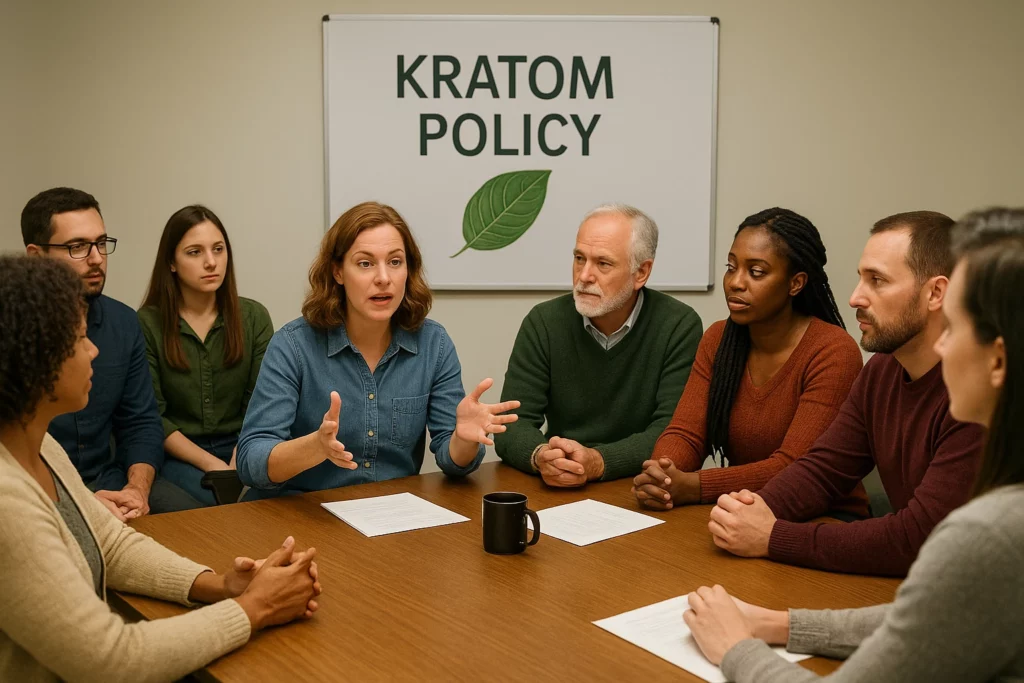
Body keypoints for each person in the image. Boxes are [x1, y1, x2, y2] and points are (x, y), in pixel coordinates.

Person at [682, 207, 1024, 682]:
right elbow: (935, 609)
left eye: (959, 326)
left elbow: (927, 552)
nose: (856, 296)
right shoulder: (884, 371)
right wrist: (779, 620)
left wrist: (737, 647)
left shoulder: (987, 530)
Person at [0, 255, 323, 682]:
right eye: (79, 338)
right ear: (35, 360)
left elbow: (111, 545)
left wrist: (222, 585)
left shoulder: (42, 448)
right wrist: (254, 607)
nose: (94, 349)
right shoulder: (6, 501)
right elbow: (112, 660)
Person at [706, 211, 984, 576]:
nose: (855, 298)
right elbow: (825, 469)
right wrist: (753, 508)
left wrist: (773, 536)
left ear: (935, 293)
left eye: (877, 281)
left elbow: (918, 539)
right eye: (860, 279)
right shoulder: (883, 370)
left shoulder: (982, 392)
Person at [236, 201, 517, 495]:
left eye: (395, 262)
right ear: (338, 273)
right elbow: (250, 461)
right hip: (303, 514)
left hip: (390, 517)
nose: (383, 278)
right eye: (365, 263)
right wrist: (313, 447)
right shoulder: (293, 345)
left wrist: (464, 439)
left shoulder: (434, 344)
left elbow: (453, 460)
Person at [632, 208, 862, 509]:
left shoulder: (833, 352)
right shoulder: (718, 340)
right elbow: (686, 433)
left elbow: (794, 467)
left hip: (824, 517)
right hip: (739, 509)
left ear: (796, 283)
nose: (735, 282)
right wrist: (662, 473)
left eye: (756, 272)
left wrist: (695, 486)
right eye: (731, 267)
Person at [495, 204, 703, 486]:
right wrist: (542, 455)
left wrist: (599, 461)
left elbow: (674, 433)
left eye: (603, 264)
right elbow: (510, 423)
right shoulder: (544, 322)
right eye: (579, 258)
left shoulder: (678, 325)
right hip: (559, 484)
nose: (583, 276)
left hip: (639, 485)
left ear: (641, 272)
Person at [22, 187, 200, 517]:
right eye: (77, 247)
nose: (96, 258)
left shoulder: (123, 323)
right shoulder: (12, 331)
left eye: (101, 243)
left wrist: (137, 489)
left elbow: (141, 423)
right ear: (36, 257)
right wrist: (82, 506)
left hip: (113, 483)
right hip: (37, 494)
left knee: (197, 521)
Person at [138, 205, 273, 506]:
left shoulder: (253, 316)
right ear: (171, 262)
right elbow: (152, 416)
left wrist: (239, 460)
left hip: (245, 445)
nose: (211, 262)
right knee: (207, 507)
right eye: (194, 252)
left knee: (269, 504)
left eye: (218, 249)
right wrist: (214, 466)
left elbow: (262, 403)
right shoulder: (147, 323)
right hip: (179, 453)